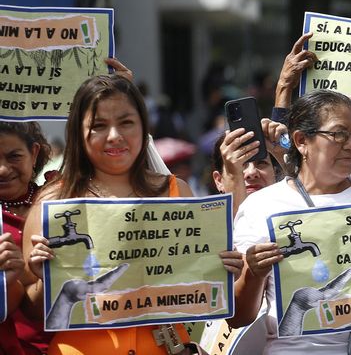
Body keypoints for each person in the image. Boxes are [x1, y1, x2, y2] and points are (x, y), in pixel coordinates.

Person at [23, 74, 244, 355]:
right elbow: (31, 314)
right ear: (78, 132)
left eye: (126, 122)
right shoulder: (53, 203)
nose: (115, 136)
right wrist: (43, 278)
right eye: (99, 125)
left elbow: (201, 290)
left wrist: (222, 267)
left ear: (143, 126)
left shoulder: (177, 192)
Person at [230, 89, 351, 353]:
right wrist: (253, 273)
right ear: (301, 141)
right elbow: (239, 317)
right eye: (338, 134)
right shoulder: (261, 206)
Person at [0, 122, 54, 355]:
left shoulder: (62, 201)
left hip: (74, 343)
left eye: (14, 156)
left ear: (34, 154)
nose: (2, 169)